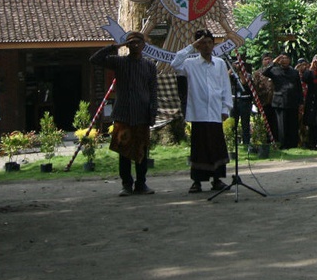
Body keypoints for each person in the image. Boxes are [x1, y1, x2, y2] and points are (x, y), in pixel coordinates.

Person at [91, 31, 158, 196]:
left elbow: (153, 91)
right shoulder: (119, 62)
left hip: (142, 113)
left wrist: (153, 112)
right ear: (127, 45)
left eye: (138, 42)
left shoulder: (149, 66)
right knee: (124, 152)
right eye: (131, 43)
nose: (135, 45)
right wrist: (115, 46)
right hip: (123, 114)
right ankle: (126, 184)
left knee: (142, 151)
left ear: (144, 45)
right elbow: (94, 59)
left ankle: (141, 184)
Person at [171, 30, 232, 193]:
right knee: (200, 148)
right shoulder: (190, 64)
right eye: (202, 43)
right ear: (198, 46)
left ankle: (217, 179)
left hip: (215, 112)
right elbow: (175, 63)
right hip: (199, 112)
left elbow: (225, 86)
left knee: (216, 147)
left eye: (209, 42)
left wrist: (225, 108)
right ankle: (197, 181)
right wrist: (191, 47)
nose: (206, 46)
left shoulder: (220, 63)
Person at [261, 54, 303, 150]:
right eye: (282, 58)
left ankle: (293, 144)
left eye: (286, 58)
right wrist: (274, 62)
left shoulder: (294, 72)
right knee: (281, 125)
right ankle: (282, 144)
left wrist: (301, 102)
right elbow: (264, 72)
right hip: (280, 101)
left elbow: (299, 88)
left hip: (292, 101)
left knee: (293, 124)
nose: (284, 60)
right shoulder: (274, 70)